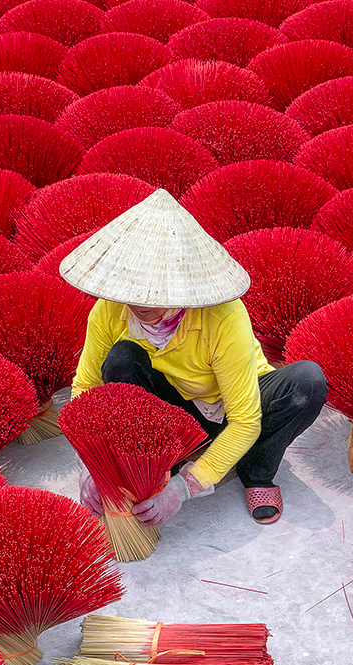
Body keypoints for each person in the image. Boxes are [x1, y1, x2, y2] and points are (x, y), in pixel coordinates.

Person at [58, 190, 328, 526]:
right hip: (173, 410)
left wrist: (183, 488)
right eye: (131, 291)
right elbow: (86, 386)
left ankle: (256, 470)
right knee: (121, 359)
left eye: (155, 291)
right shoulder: (109, 311)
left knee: (308, 382)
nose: (140, 303)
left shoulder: (223, 317)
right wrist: (90, 464)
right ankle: (158, 461)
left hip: (235, 407)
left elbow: (244, 421)